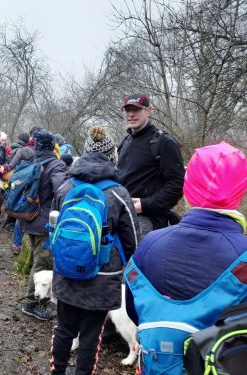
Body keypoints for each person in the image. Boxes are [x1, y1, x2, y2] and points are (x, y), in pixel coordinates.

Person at [125, 142, 247, 375]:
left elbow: (134, 310)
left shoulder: (149, 244)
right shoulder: (243, 253)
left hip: (158, 364)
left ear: (188, 187)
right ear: (239, 191)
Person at [50, 126, 139, 375]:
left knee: (64, 329)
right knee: (91, 335)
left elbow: (53, 230)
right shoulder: (119, 193)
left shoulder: (65, 188)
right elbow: (132, 239)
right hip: (103, 276)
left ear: (86, 153)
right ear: (112, 156)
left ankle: (57, 371)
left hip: (66, 271)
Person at [117, 94, 185, 238]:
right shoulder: (125, 142)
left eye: (136, 110)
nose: (131, 114)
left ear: (149, 110)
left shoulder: (164, 142)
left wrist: (145, 204)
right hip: (123, 216)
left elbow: (176, 185)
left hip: (148, 222)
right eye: (127, 110)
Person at [21, 130, 67, 321]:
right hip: (45, 223)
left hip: (28, 218)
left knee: (37, 258)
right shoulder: (56, 164)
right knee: (42, 263)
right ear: (52, 145)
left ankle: (38, 297)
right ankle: (31, 303)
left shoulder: (32, 162)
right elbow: (62, 190)